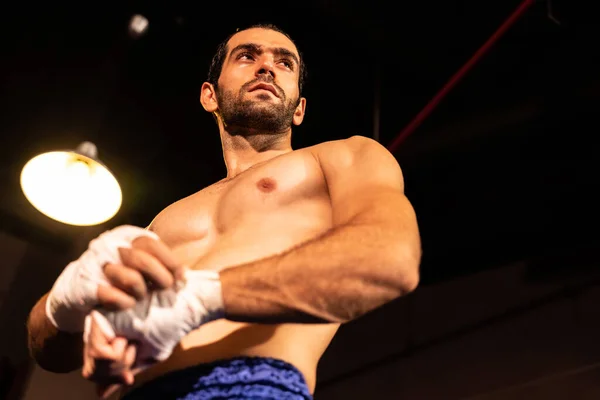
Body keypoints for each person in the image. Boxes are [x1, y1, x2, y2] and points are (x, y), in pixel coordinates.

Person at [26, 23, 422, 399]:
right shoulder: (165, 219)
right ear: (209, 95)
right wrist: (70, 294)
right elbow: (47, 351)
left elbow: (392, 259)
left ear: (299, 108)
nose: (267, 65)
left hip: (252, 385)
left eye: (285, 62)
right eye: (247, 56)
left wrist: (199, 298)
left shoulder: (343, 157)